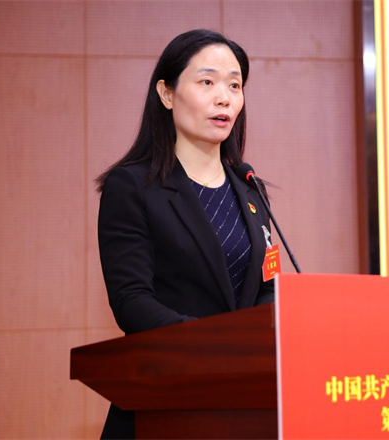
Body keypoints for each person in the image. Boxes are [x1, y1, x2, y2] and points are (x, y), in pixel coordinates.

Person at [95, 29, 275, 440]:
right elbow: (132, 301)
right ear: (167, 93)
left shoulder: (250, 189)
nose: (224, 98)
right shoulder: (133, 187)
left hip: (244, 402)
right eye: (207, 82)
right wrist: (215, 347)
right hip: (165, 399)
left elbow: (268, 284)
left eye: (234, 86)